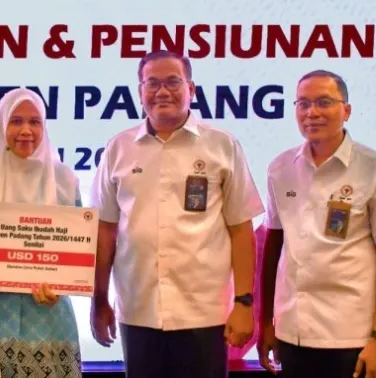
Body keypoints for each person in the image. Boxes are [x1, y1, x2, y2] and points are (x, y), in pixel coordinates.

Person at [89, 50, 264, 378]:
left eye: (173, 82)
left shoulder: (222, 146)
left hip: (204, 312)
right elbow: (106, 230)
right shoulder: (118, 148)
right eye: (152, 83)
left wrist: (244, 302)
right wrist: (99, 300)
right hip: (138, 309)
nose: (162, 92)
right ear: (140, 91)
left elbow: (241, 230)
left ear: (191, 89)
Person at [256, 70, 376, 378]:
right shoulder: (280, 168)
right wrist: (266, 323)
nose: (312, 112)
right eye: (303, 104)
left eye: (324, 102)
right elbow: (274, 249)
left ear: (347, 110)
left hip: (350, 336)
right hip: (292, 332)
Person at [0, 88, 84, 378]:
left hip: (47, 319)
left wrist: (61, 285)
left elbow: (77, 247)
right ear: (1, 125)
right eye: (16, 121)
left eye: (35, 122)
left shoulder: (64, 180)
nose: (26, 130)